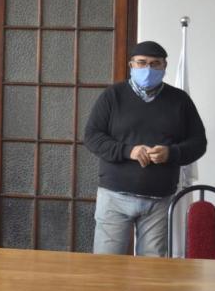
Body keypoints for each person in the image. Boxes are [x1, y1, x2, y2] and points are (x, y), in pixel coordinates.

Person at [84, 40, 207, 256]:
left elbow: (199, 143)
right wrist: (127, 151)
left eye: (154, 64)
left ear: (164, 67)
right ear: (131, 65)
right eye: (141, 63)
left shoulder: (180, 100)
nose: (147, 69)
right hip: (114, 198)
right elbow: (92, 137)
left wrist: (171, 153)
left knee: (151, 273)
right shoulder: (112, 96)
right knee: (106, 269)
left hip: (159, 201)